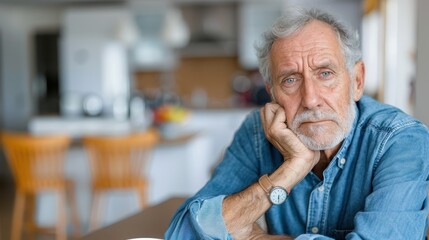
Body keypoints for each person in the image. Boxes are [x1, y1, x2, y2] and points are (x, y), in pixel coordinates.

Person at [165, 8, 429, 240]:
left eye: (325, 74)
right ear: (272, 93)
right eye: (290, 80)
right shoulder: (257, 132)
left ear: (357, 81)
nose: (311, 100)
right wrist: (292, 169)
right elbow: (182, 233)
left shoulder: (401, 140)